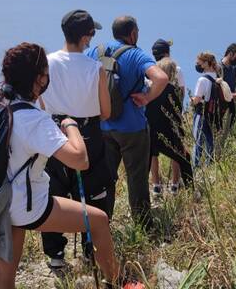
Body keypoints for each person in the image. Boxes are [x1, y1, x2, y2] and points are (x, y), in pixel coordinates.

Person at [0, 42, 120, 288]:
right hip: (27, 206)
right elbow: (80, 160)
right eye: (45, 74)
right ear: (38, 79)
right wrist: (70, 126)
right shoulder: (34, 121)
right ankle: (116, 281)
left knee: (6, 271)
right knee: (98, 220)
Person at [37, 9, 113, 270]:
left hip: (54, 133)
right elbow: (106, 111)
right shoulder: (95, 68)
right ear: (85, 37)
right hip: (88, 134)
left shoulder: (46, 63)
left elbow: (40, 103)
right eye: (91, 34)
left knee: (54, 192)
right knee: (93, 194)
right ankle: (91, 249)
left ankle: (56, 254)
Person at [86, 16, 169, 229]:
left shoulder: (96, 51)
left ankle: (104, 222)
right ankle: (143, 224)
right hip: (133, 127)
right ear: (132, 33)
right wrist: (148, 97)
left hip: (103, 124)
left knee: (106, 178)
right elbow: (161, 78)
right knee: (137, 177)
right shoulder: (136, 54)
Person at [145, 57, 193, 197]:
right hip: (168, 132)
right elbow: (176, 115)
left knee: (144, 165)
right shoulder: (174, 90)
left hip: (150, 132)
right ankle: (190, 191)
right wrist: (180, 134)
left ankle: (143, 197)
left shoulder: (149, 88)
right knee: (184, 159)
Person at [190, 52, 221, 169]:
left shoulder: (202, 79)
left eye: (199, 63)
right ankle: (209, 166)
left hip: (201, 113)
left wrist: (192, 100)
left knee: (197, 141)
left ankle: (195, 168)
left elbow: (197, 99)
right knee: (209, 141)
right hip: (212, 115)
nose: (198, 65)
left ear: (206, 64)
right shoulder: (217, 79)